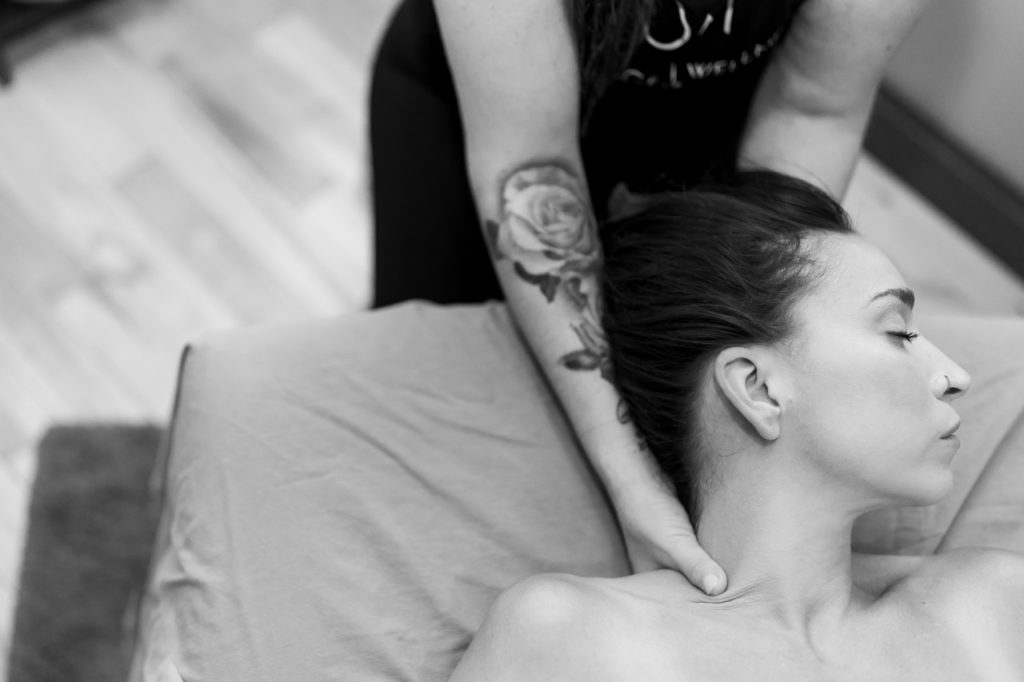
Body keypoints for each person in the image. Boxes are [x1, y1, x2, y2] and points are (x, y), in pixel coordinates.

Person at [369, 0, 940, 593]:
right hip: (493, 123)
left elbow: (812, 105)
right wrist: (630, 475)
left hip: (720, 141)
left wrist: (753, 321)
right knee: (442, 404)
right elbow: (531, 165)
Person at [447, 171, 1024, 681]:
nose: (955, 376)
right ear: (757, 389)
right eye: (898, 332)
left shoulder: (993, 602)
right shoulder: (569, 636)